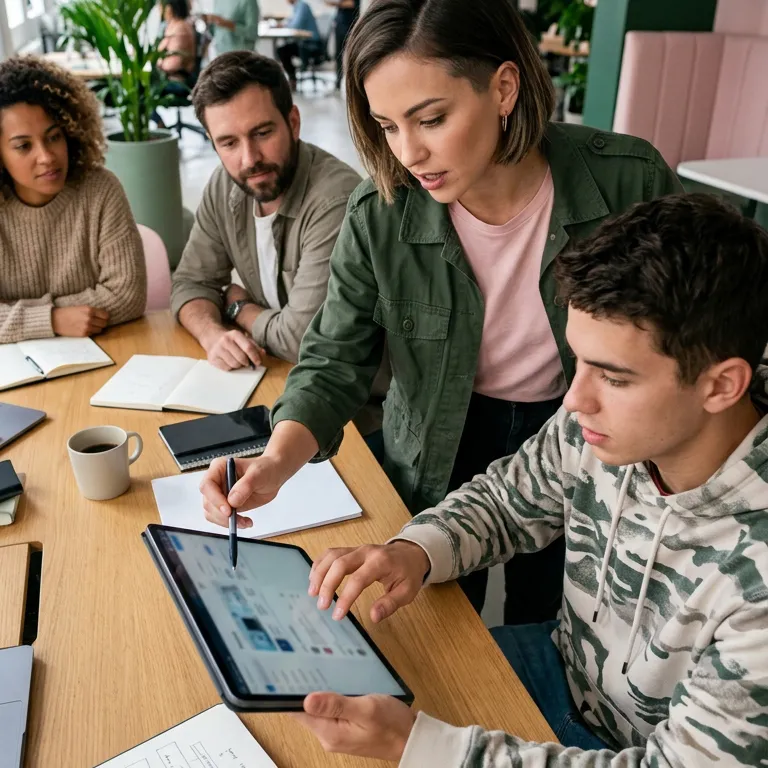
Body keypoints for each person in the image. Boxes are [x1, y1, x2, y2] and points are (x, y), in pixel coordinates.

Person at [198, 0, 682, 623]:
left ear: (503, 88)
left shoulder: (628, 183)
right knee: (441, 629)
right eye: (386, 126)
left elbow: (693, 340)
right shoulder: (380, 212)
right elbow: (333, 361)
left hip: (583, 436)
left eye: (431, 119)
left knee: (553, 622)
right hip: (439, 438)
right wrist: (274, 462)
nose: (409, 153)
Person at [294, 193, 768, 766]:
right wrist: (414, 551)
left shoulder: (759, 582)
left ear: (721, 386)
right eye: (578, 360)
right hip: (559, 669)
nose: (574, 399)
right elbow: (507, 499)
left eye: (614, 378)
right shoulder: (604, 426)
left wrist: (418, 745)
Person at [171, 51, 361, 371]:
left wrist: (240, 308)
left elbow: (303, 340)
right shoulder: (224, 185)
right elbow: (190, 282)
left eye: (262, 133)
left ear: (293, 123)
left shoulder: (336, 201)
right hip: (274, 371)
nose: (249, 159)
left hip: (350, 389)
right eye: (229, 143)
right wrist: (212, 335)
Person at [0, 56, 146, 344]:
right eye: (24, 146)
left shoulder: (100, 190)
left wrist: (13, 317)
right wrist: (52, 319)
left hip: (103, 351)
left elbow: (127, 296)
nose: (46, 157)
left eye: (54, 137)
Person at [276, 0, 322, 92]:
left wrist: (284, 25)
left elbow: (295, 25)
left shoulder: (302, 6)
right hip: (303, 43)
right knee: (283, 49)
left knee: (283, 50)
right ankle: (292, 78)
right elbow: (290, 21)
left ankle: (292, 79)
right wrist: (283, 24)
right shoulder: (296, 7)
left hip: (311, 44)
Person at [324, 0, 359, 89]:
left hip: (350, 24)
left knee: (351, 54)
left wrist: (336, 3)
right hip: (339, 24)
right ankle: (338, 81)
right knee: (338, 54)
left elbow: (353, 4)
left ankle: (353, 82)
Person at [158, 0, 196, 80]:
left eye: (161, 5)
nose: (159, 8)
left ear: (169, 8)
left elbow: (174, 64)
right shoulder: (172, 26)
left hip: (177, 78)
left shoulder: (180, 28)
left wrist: (158, 63)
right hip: (169, 76)